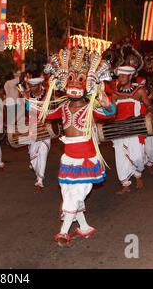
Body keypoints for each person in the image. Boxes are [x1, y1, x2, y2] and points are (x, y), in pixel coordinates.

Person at [43, 48, 116, 248]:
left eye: (81, 79)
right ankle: (83, 227)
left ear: (89, 83)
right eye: (72, 79)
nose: (75, 83)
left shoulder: (90, 107)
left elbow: (110, 112)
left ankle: (63, 232)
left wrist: (106, 101)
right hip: (68, 158)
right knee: (69, 194)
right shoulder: (62, 107)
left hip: (86, 158)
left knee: (74, 195)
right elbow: (43, 111)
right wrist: (28, 101)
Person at [112, 66, 153, 194]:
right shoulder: (115, 93)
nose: (121, 78)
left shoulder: (139, 91)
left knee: (137, 156)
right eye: (119, 76)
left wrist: (149, 113)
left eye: (124, 76)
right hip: (119, 129)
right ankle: (125, 184)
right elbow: (112, 111)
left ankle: (138, 174)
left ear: (130, 77)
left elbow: (149, 105)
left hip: (135, 128)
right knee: (120, 156)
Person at [21, 76, 51, 193]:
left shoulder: (48, 93)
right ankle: (37, 171)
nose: (32, 88)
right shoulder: (27, 94)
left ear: (39, 85)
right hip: (33, 126)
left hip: (45, 127)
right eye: (31, 86)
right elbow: (27, 112)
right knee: (33, 153)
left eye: (34, 86)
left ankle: (40, 179)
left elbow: (50, 108)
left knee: (43, 150)